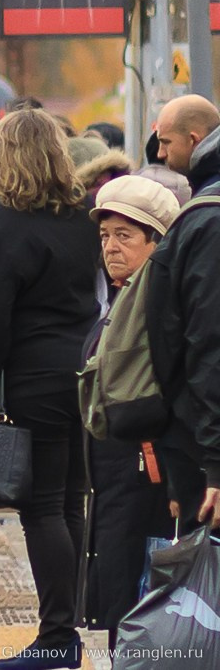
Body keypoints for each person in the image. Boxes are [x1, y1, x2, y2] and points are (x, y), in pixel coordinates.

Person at [0, 108, 100, 669]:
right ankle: (67, 625)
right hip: (83, 369)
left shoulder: (2, 225)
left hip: (34, 376)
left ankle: (55, 638)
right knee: (70, 502)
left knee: (41, 508)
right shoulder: (82, 217)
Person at [78, 176, 179, 651]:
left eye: (125, 236)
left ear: (156, 241)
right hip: (117, 471)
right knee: (122, 593)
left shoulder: (160, 303)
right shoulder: (121, 298)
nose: (111, 247)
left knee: (144, 598)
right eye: (105, 236)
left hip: (150, 472)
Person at [148, 94, 220, 533]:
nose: (159, 154)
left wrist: (214, 461)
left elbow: (207, 340)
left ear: (194, 140)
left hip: (200, 436)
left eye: (166, 142)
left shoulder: (207, 218)